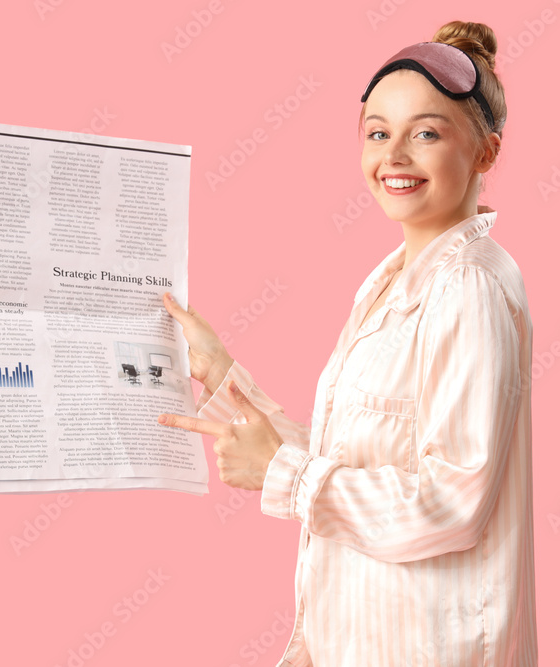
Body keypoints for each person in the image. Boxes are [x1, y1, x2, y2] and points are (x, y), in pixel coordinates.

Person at [157, 19, 538, 666]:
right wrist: (222, 374)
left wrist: (285, 474)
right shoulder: (393, 281)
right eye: (377, 132)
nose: (393, 155)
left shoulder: (469, 288)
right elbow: (354, 456)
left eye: (426, 132)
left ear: (485, 152)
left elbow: (451, 504)